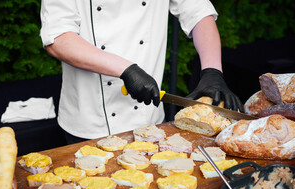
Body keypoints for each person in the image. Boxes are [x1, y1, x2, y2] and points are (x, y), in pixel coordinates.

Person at [40, 1, 243, 144]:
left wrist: (212, 70)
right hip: (90, 123)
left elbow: (198, 12)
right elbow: (58, 38)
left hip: (149, 120)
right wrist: (125, 69)